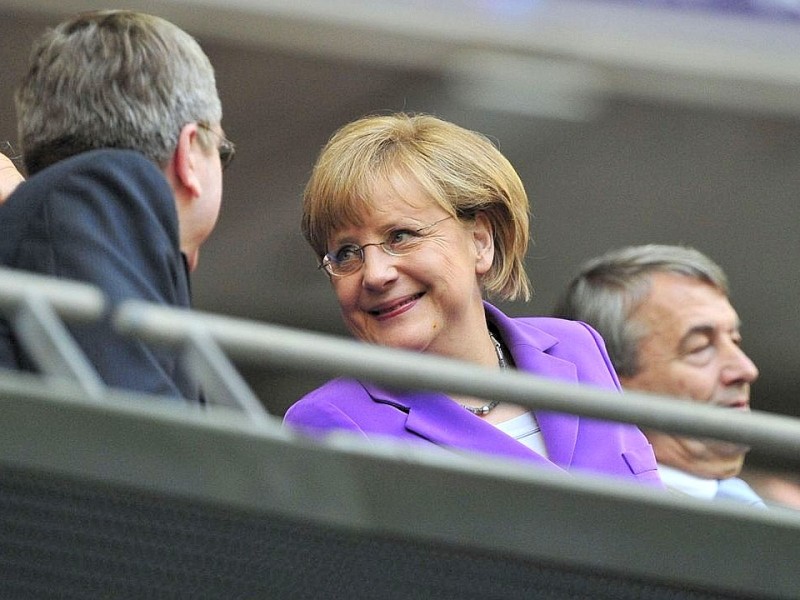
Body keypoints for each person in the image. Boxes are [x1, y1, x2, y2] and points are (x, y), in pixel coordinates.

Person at [284, 112, 661, 486]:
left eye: (400, 236)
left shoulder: (577, 347)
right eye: (347, 253)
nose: (375, 273)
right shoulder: (328, 421)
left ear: (480, 242)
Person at [0, 10, 232, 400]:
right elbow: (140, 440)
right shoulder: (101, 187)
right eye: (222, 153)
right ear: (189, 152)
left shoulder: (53, 219)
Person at [553, 244, 764, 506]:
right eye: (700, 347)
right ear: (610, 378)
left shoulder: (746, 502)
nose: (745, 370)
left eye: (735, 340)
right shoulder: (604, 518)